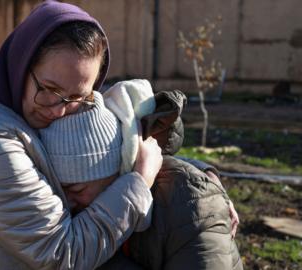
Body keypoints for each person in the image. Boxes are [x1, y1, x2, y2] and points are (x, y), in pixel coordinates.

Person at [0, 2, 163, 269]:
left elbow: (120, 143)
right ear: (21, 63)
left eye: (76, 97)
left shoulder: (28, 117)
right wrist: (138, 182)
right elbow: (61, 253)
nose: (59, 110)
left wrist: (204, 182)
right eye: (49, 88)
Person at [40, 82, 243, 270]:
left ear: (117, 171)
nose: (65, 201)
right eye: (60, 188)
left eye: (76, 189)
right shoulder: (78, 207)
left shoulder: (191, 205)